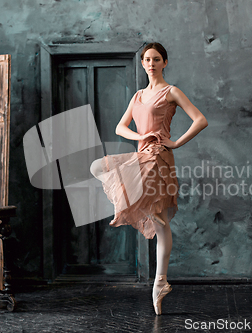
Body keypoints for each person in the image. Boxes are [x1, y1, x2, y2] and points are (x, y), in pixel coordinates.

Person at [90, 42, 208, 315]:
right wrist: (140, 136)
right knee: (100, 168)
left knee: (160, 219)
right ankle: (161, 282)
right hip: (142, 155)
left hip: (160, 158)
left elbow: (200, 120)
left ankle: (159, 281)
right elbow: (121, 127)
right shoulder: (139, 95)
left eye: (156, 59)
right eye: (147, 59)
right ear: (142, 64)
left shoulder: (172, 92)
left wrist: (176, 142)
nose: (151, 63)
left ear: (164, 62)